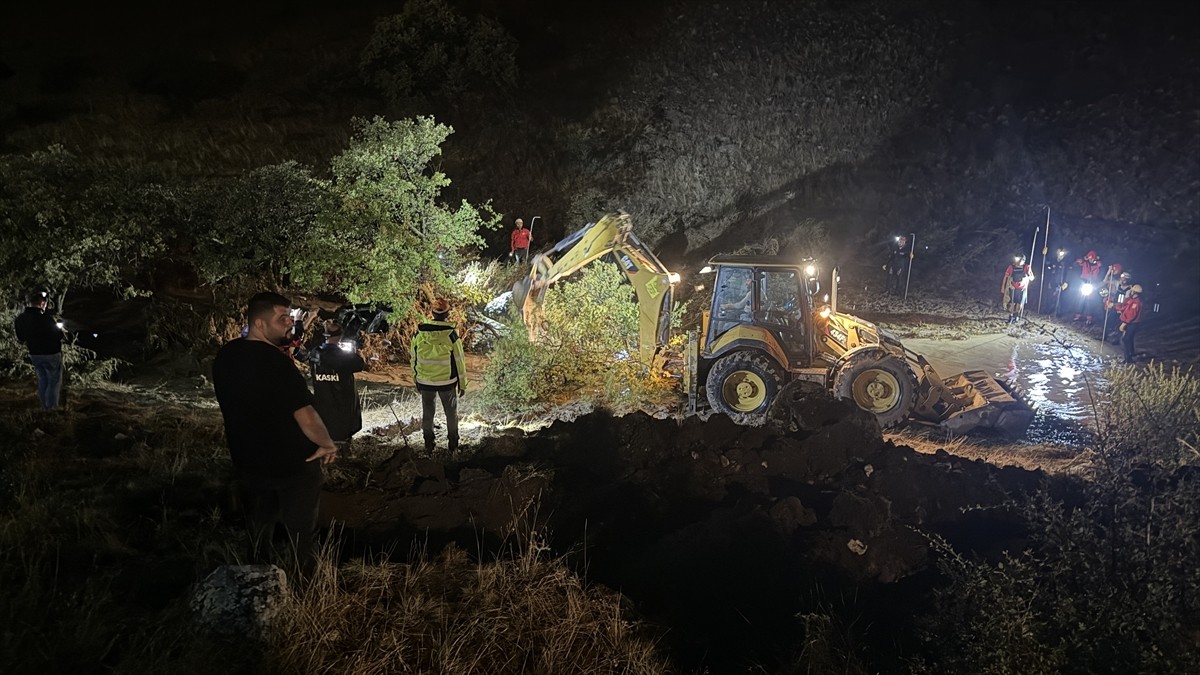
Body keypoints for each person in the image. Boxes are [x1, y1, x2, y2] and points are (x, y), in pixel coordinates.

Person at [212, 291, 339, 577]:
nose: (289, 325)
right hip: (294, 463)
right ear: (259, 323)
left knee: (258, 527)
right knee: (302, 533)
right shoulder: (276, 362)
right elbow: (305, 414)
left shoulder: (225, 357)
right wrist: (326, 443)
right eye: (282, 319)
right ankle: (305, 584)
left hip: (248, 461)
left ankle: (255, 581)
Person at [411, 298, 467, 453]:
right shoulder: (451, 336)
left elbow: (413, 358)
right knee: (451, 414)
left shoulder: (419, 334)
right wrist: (463, 385)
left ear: (432, 313)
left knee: (427, 414)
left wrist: (415, 378)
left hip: (425, 381)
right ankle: (453, 447)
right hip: (447, 383)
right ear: (447, 314)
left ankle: (429, 445)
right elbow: (460, 362)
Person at [309, 320, 367, 450]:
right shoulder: (344, 356)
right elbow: (360, 364)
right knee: (343, 441)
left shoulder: (314, 353)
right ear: (340, 336)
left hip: (322, 406)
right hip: (343, 407)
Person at [14, 287, 64, 410]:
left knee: (42, 380)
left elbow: (21, 338)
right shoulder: (45, 318)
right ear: (42, 303)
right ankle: (51, 409)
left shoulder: (20, 319)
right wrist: (58, 329)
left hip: (35, 353)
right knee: (53, 382)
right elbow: (58, 336)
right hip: (51, 353)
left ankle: (43, 407)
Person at [1114, 284, 1144, 364]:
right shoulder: (1131, 300)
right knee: (1128, 339)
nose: (1130, 291)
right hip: (1130, 322)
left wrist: (1124, 323)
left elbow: (1132, 315)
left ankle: (1128, 359)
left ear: (1134, 292)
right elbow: (1125, 307)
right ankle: (1130, 355)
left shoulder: (1136, 303)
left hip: (1132, 324)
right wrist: (1116, 307)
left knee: (1125, 340)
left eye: (1132, 291)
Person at [1102, 269, 1134, 343]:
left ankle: (1116, 340)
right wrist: (1109, 271)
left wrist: (1114, 305)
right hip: (1115, 307)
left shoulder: (1129, 290)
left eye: (1124, 280)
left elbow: (1125, 302)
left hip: (1122, 310)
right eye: (1121, 279)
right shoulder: (1117, 284)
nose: (1122, 281)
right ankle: (1104, 336)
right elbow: (1105, 281)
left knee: (1119, 326)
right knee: (1108, 321)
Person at [1000, 255, 1033, 324]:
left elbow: (1032, 278)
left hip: (1022, 288)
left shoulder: (1026, 267)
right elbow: (1006, 277)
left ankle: (1016, 315)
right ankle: (1011, 316)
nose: (1017, 262)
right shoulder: (1011, 267)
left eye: (1019, 260)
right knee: (1012, 302)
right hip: (1013, 287)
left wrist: (1029, 275)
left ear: (1023, 260)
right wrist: (1003, 287)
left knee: (1019, 303)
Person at [1072, 250, 1103, 324]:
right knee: (1080, 300)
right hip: (1083, 282)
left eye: (1092, 258)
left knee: (1089, 302)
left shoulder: (1098, 265)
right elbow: (1076, 263)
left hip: (1092, 283)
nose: (1091, 260)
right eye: (1089, 258)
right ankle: (1078, 315)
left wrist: (1098, 263)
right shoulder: (1085, 263)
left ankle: (1089, 317)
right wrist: (1078, 261)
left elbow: (1101, 269)